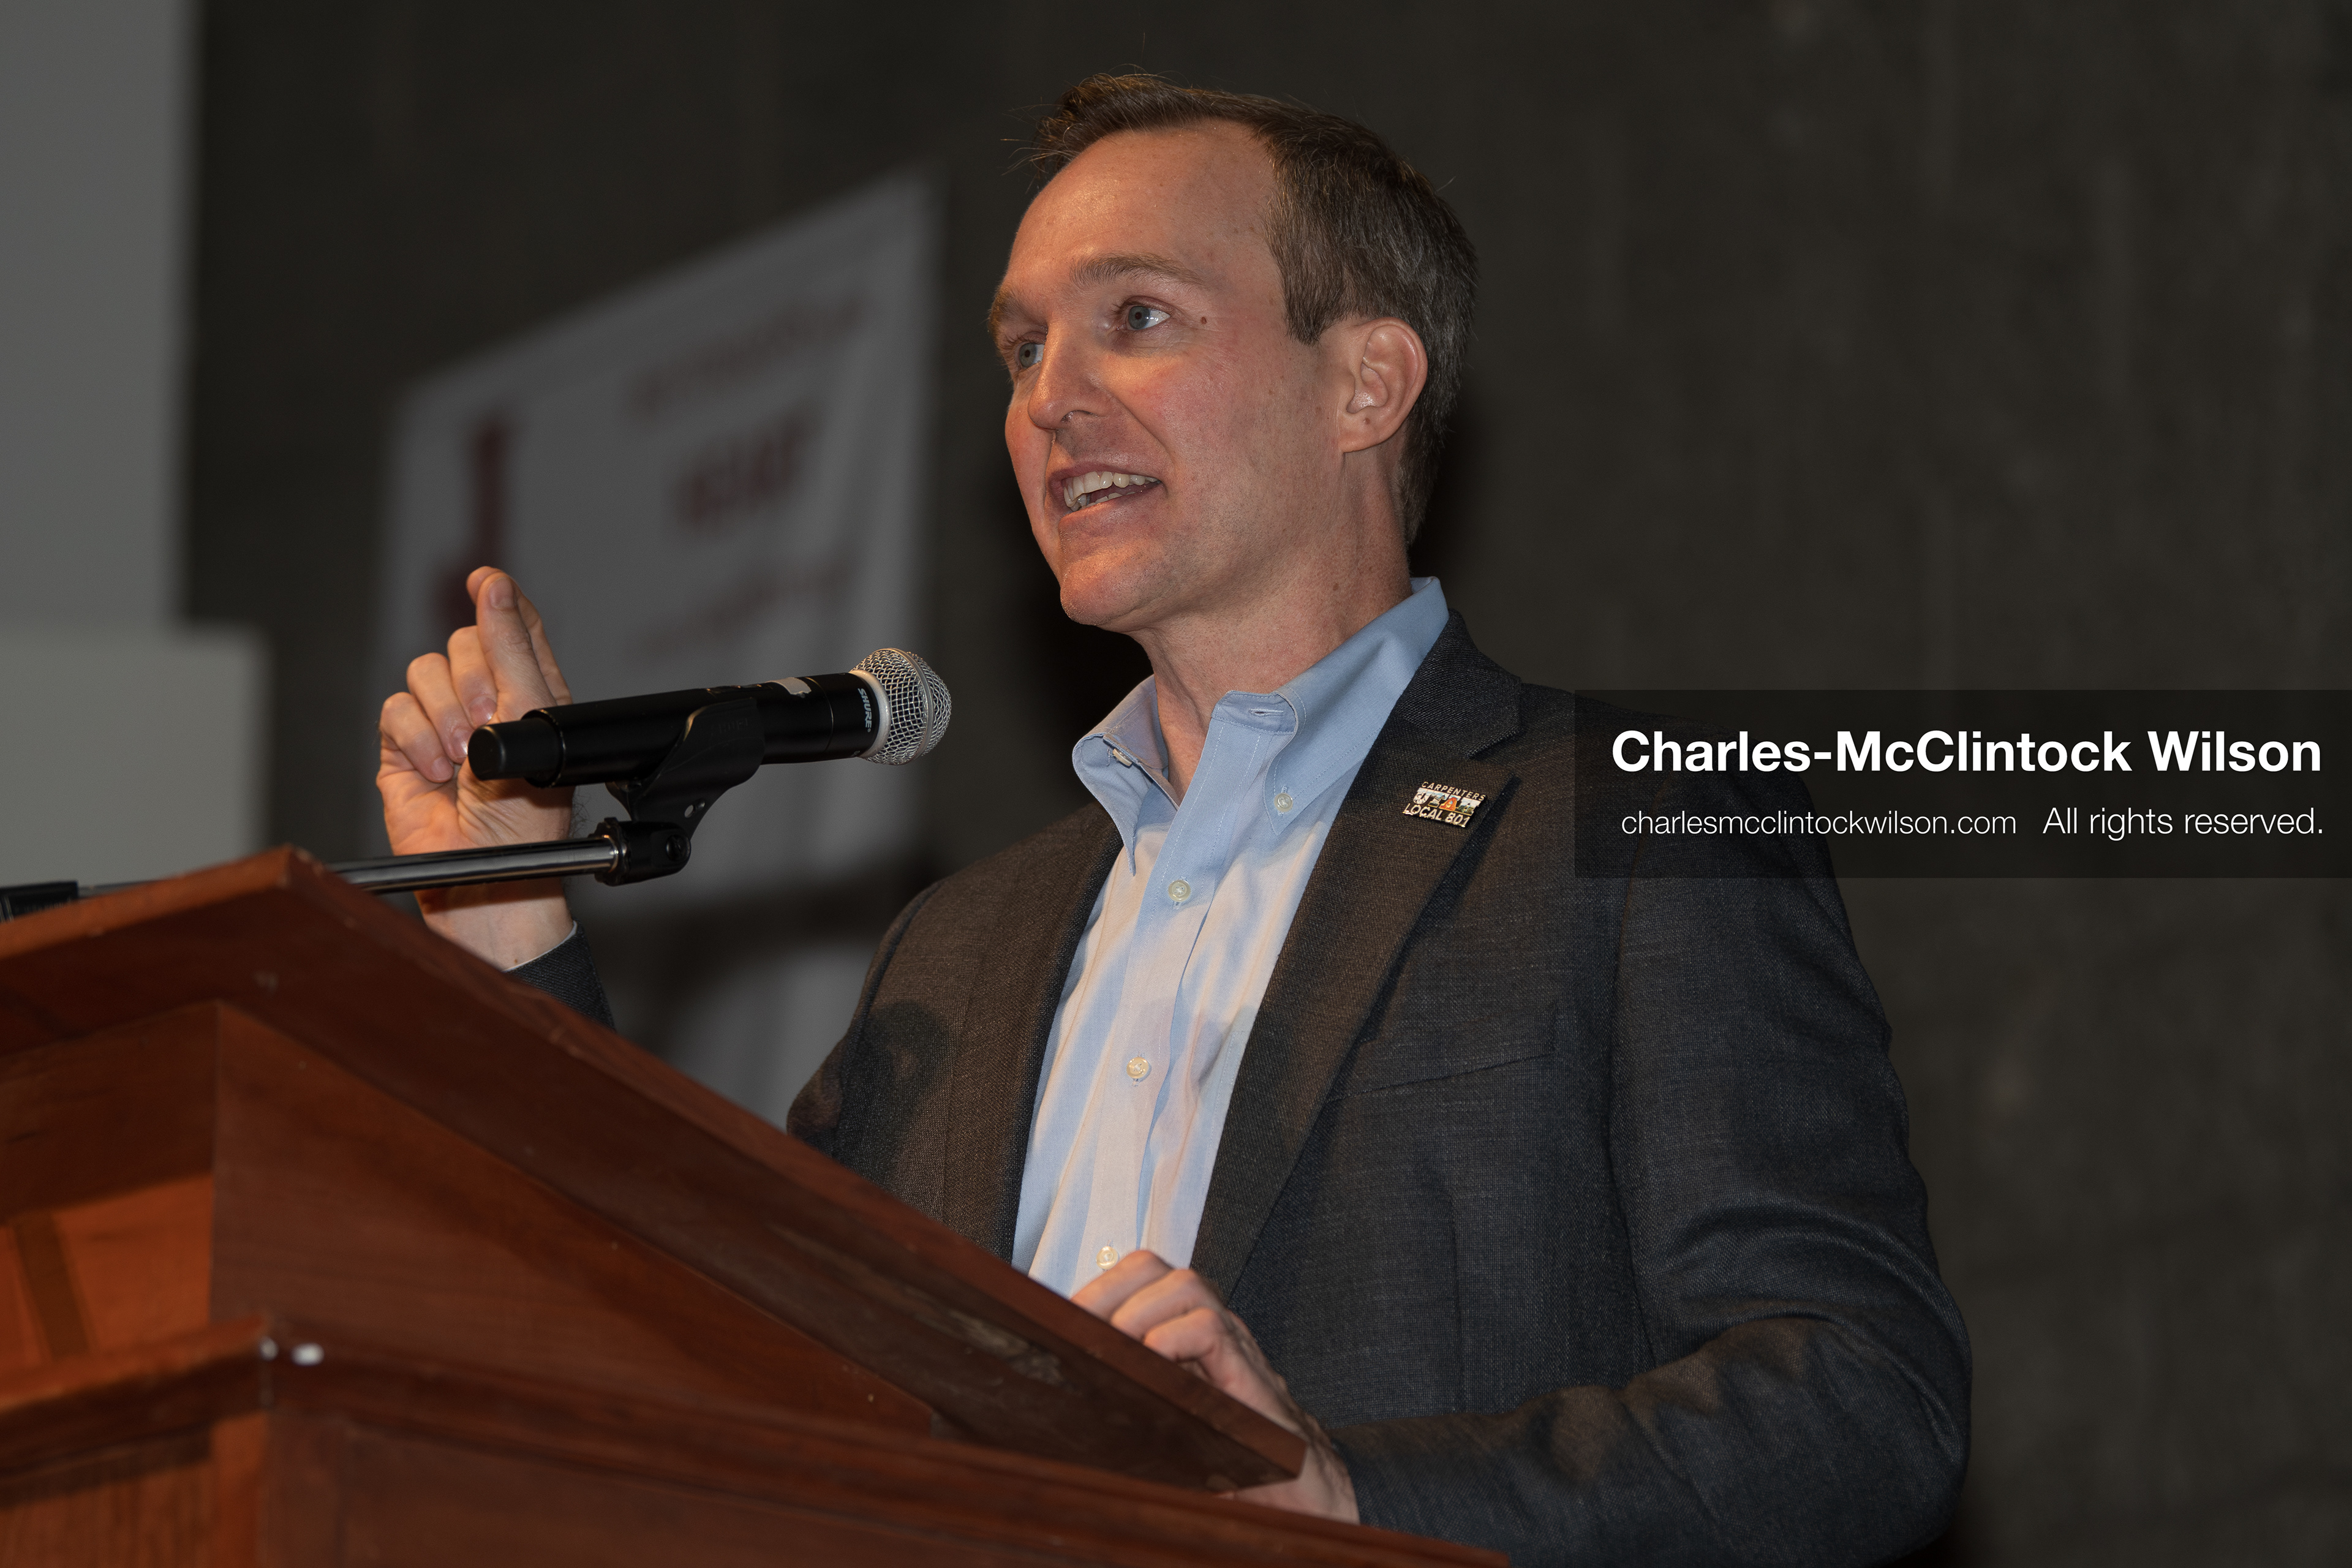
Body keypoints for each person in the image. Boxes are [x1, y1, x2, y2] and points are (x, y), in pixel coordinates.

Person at [378, 74, 1969, 1566]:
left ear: (1366, 381)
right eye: (1018, 350)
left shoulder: (1612, 822)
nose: (1050, 398)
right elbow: (722, 1374)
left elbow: (1858, 1402)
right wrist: (507, 921)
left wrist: (1348, 1497)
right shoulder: (960, 952)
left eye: (1137, 318)